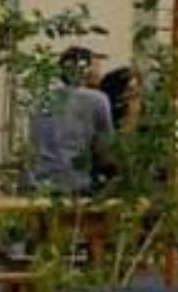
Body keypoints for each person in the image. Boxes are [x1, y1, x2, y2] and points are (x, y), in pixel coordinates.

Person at [29, 47, 115, 194]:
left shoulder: (41, 99)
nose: (100, 73)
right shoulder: (97, 99)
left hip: (40, 182)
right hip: (75, 184)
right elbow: (107, 147)